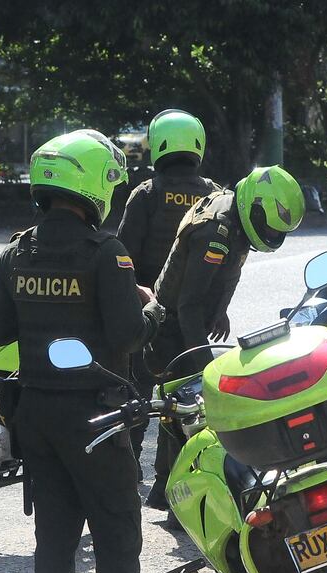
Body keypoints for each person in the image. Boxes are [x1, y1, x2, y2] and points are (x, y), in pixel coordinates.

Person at [0, 129, 189, 573]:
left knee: (54, 544)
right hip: (98, 419)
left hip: (38, 418)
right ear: (92, 183)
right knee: (118, 543)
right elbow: (128, 335)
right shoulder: (105, 253)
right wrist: (151, 306)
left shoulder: (16, 253)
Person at [144, 165, 305, 510]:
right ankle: (180, 501)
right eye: (268, 224)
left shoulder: (232, 216)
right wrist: (205, 367)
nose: (271, 234)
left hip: (190, 319)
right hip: (176, 327)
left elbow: (210, 279)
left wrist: (219, 309)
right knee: (191, 413)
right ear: (254, 206)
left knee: (177, 414)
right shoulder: (215, 232)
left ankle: (163, 490)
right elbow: (188, 304)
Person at [117, 110, 218, 485]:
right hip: (193, 320)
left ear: (156, 145)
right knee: (186, 404)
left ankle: (127, 477)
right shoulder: (214, 194)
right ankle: (167, 483)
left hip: (147, 314)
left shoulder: (146, 193)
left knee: (139, 394)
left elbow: (122, 258)